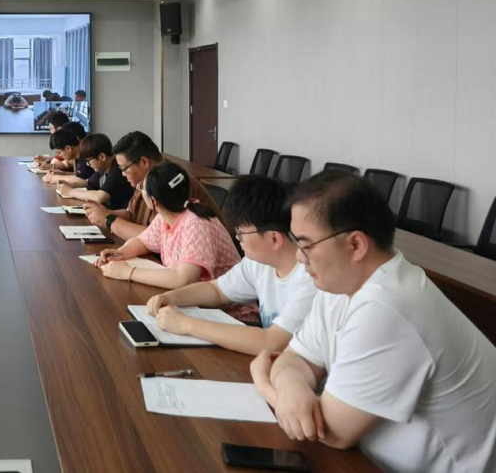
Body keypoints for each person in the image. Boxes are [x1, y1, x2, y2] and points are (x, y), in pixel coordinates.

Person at [250, 171, 496, 472]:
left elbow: (333, 432)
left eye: (306, 245)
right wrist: (291, 388)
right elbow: (295, 358)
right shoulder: (340, 284)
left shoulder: (389, 306)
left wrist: (265, 383)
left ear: (356, 245)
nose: (300, 258)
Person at [145, 176, 316, 356]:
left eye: (241, 234)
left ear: (274, 239)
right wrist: (170, 297)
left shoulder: (310, 278)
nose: (237, 239)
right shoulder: (258, 263)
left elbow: (273, 342)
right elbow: (216, 291)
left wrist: (186, 324)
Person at [95, 163, 246, 308]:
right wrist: (120, 253)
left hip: (229, 313)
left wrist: (128, 272)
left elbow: (183, 279)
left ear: (153, 201)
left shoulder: (197, 223)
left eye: (142, 189)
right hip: (195, 304)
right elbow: (143, 241)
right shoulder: (166, 215)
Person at [83, 131, 221, 241]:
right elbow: (131, 214)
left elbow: (157, 237)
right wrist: (104, 212)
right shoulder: (145, 179)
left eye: (124, 168)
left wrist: (109, 220)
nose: (123, 174)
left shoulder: (170, 180)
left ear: (144, 162)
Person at [56, 133, 134, 210]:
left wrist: (70, 191)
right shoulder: (103, 168)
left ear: (102, 157)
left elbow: (99, 197)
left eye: (88, 160)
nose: (87, 164)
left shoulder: (117, 170)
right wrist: (68, 185)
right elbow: (87, 182)